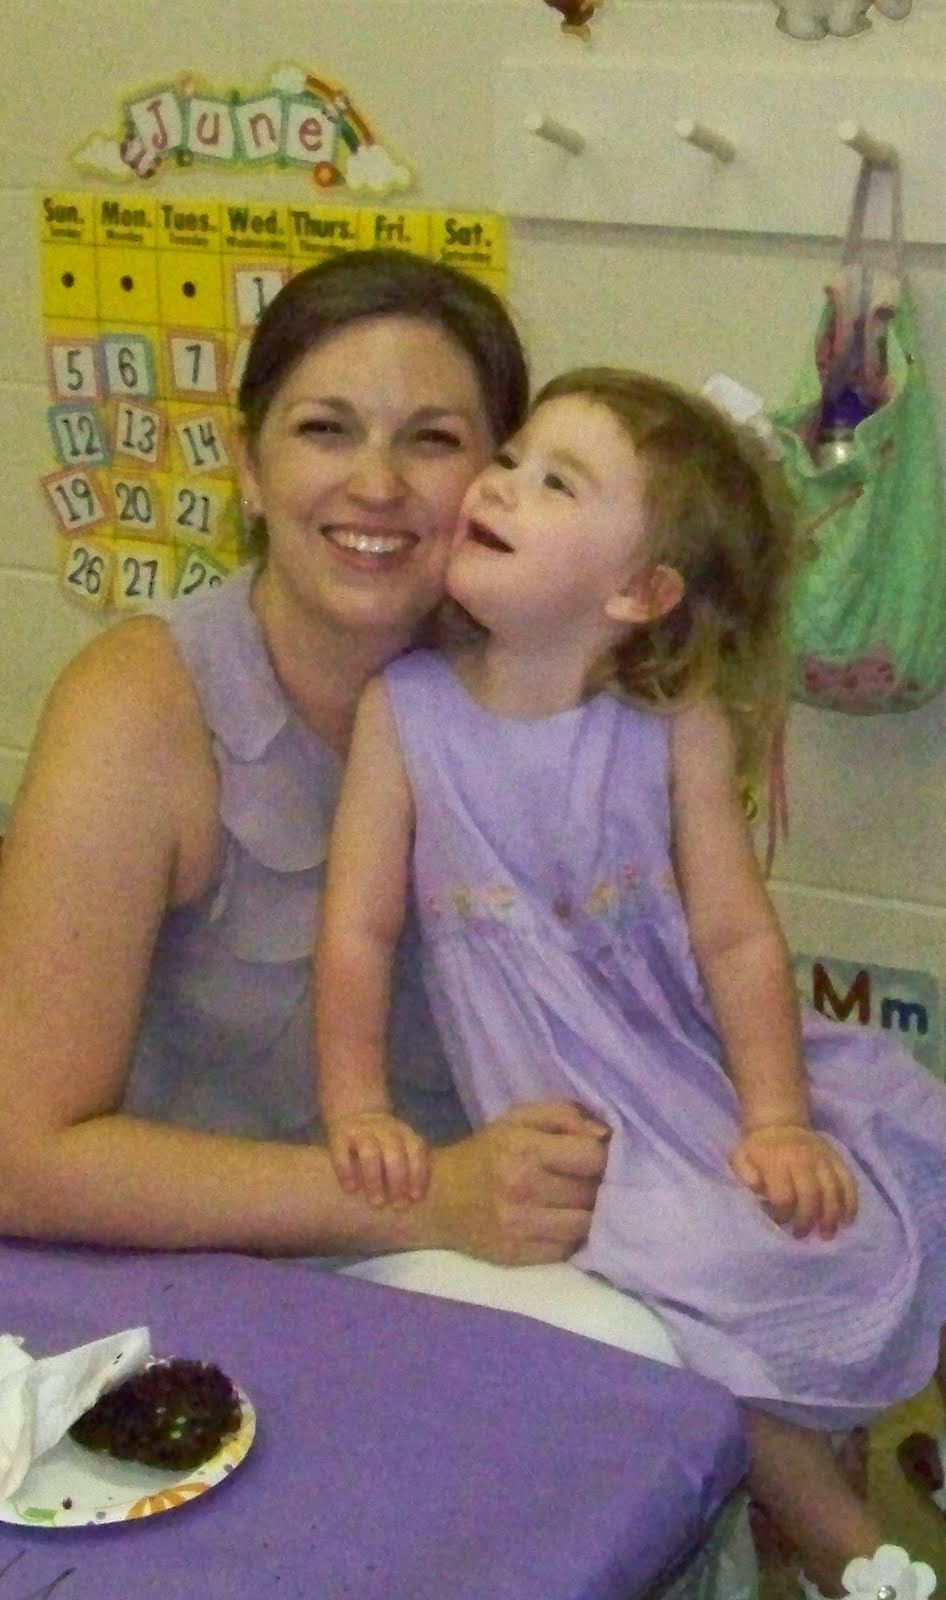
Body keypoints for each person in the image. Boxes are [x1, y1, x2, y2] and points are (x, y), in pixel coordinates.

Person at [314, 365, 946, 1598]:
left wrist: (777, 1117)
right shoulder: (409, 712)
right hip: (570, 1115)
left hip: (691, 1063)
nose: (500, 483)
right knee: (689, 1287)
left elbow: (737, 940)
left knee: (887, 1157)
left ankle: (850, 1482)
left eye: (557, 482)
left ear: (637, 593)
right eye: (513, 457)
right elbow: (358, 933)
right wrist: (357, 1107)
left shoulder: (673, 722)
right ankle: (846, 1546)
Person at [0, 249, 612, 1264]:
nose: (376, 484)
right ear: (248, 467)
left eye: (433, 440)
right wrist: (427, 1204)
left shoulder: (554, 685)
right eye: (325, 429)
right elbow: (19, 1158)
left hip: (495, 1258)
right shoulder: (138, 708)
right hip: (200, 1287)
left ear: (496, 481)